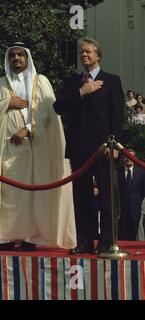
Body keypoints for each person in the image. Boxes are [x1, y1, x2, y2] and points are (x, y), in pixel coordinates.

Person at [0, 42, 76, 251]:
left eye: (20, 55)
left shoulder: (41, 83)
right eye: (12, 55)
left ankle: (32, 237)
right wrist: (6, 104)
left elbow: (49, 114)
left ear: (27, 58)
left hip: (35, 150)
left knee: (33, 195)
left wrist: (29, 129)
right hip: (7, 152)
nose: (16, 58)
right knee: (8, 195)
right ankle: (3, 237)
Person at [54, 37, 124, 254]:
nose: (84, 55)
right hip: (79, 148)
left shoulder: (111, 80)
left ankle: (107, 241)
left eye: (89, 52)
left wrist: (115, 145)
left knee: (107, 197)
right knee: (81, 196)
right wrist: (82, 92)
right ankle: (84, 240)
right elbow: (58, 107)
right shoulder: (74, 82)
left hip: (104, 148)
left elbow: (117, 116)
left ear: (98, 56)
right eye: (82, 52)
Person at [117, 151, 145, 240]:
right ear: (123, 159)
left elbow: (143, 191)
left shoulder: (141, 172)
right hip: (121, 210)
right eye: (126, 157)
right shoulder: (117, 172)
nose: (128, 159)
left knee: (135, 235)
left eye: (131, 157)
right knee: (122, 235)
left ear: (135, 159)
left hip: (136, 209)